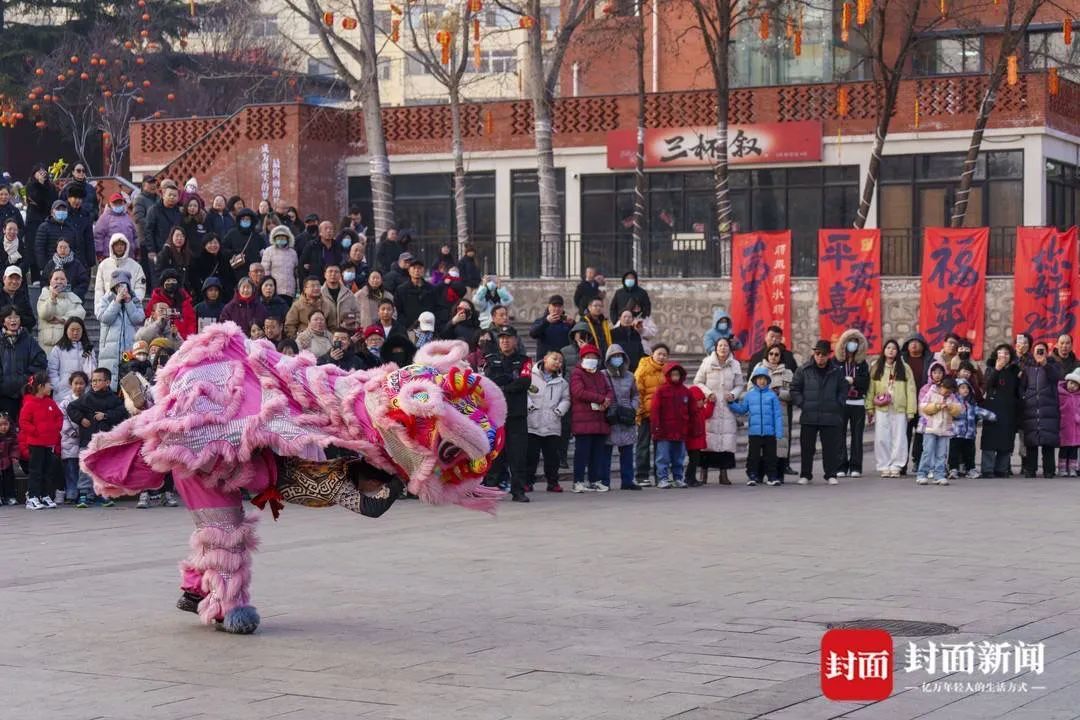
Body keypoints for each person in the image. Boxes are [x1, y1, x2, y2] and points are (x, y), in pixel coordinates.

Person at [66, 367, 128, 507]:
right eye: (93, 380)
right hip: (88, 439)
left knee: (103, 467)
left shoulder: (114, 398)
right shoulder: (87, 397)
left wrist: (105, 416)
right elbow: (71, 408)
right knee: (86, 466)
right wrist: (81, 419)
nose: (95, 383)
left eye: (99, 380)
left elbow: (122, 412)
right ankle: (83, 494)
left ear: (107, 382)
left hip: (105, 440)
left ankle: (102, 494)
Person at [483, 326, 532, 502]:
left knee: (518, 455)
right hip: (496, 416)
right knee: (496, 454)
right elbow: (489, 381)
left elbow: (524, 382)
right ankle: (491, 489)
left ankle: (518, 490)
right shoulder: (491, 359)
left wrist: (503, 386)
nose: (505, 341)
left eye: (508, 337)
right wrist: (509, 381)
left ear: (515, 340)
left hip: (517, 415)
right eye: (502, 338)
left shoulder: (524, 360)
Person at [791, 340, 846, 485]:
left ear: (829, 355)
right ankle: (805, 474)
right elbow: (794, 389)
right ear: (814, 354)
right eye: (817, 354)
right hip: (809, 415)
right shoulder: (803, 370)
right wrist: (802, 403)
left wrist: (837, 403)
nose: (820, 357)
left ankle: (831, 474)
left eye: (824, 354)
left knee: (830, 448)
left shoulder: (836, 371)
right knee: (807, 448)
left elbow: (843, 390)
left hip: (830, 415)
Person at [693, 336, 744, 485]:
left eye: (726, 346)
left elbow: (740, 385)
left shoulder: (735, 364)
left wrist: (733, 394)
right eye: (720, 345)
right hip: (711, 406)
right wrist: (708, 393)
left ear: (729, 348)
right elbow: (698, 382)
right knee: (708, 440)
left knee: (726, 440)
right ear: (716, 347)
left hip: (727, 408)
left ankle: (724, 473)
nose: (723, 348)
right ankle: (704, 472)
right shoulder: (707, 362)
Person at [866, 339, 917, 478]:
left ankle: (896, 465)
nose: (891, 350)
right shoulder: (877, 367)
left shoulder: (904, 368)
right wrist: (869, 407)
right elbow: (871, 388)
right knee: (882, 437)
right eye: (888, 347)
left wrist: (911, 410)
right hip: (882, 407)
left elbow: (911, 389)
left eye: (894, 348)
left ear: (897, 352)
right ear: (884, 350)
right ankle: (884, 465)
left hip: (899, 408)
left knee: (899, 438)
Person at [728, 366, 785, 486]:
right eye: (759, 379)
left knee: (771, 456)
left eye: (764, 379)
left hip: (770, 433)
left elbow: (778, 415)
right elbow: (743, 409)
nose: (762, 381)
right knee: (753, 456)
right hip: (754, 433)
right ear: (755, 380)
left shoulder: (772, 396)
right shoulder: (750, 395)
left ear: (768, 380)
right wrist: (731, 403)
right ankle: (752, 475)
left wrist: (779, 432)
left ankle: (771, 476)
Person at [569, 344, 612, 493]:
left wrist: (607, 400)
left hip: (599, 419)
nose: (591, 360)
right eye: (588, 357)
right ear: (582, 358)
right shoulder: (577, 373)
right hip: (583, 420)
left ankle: (594, 480)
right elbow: (578, 392)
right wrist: (601, 399)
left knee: (597, 453)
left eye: (594, 358)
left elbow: (609, 390)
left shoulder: (600, 375)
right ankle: (578, 481)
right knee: (582, 453)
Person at [749, 344, 794, 482]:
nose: (773, 357)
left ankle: (777, 475)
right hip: (762, 413)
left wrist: (780, 393)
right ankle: (758, 474)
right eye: (771, 354)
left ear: (781, 357)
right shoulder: (759, 368)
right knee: (762, 445)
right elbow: (750, 388)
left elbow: (793, 394)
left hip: (781, 412)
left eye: (777, 354)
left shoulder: (788, 372)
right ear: (767, 355)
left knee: (780, 444)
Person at [526, 350, 569, 493]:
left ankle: (552, 482)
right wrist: (529, 406)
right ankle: (527, 482)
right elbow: (524, 392)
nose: (558, 363)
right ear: (545, 358)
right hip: (532, 422)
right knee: (531, 456)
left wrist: (559, 411)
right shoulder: (530, 376)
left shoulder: (562, 382)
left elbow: (566, 399)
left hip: (552, 423)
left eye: (560, 361)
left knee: (552, 457)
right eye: (555, 359)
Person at [19, 371, 63, 509]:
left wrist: (54, 430)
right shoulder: (29, 404)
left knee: (47, 470)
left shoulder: (50, 403)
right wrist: (36, 432)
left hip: (49, 443)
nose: (51, 387)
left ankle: (45, 495)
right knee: (36, 471)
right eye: (49, 384)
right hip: (36, 443)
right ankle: (32, 497)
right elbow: (24, 422)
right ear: (40, 386)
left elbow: (59, 417)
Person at [1020, 341, 1062, 478]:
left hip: (1048, 408)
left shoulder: (1053, 364)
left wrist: (1045, 364)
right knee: (1031, 442)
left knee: (1048, 442)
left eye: (1042, 350)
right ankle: (1030, 470)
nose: (1040, 353)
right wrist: (1024, 396)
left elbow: (1056, 378)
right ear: (1033, 352)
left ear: (1047, 351)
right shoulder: (1028, 367)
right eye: (1037, 350)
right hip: (1031, 408)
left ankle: (1049, 470)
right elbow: (1022, 385)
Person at [915, 363, 962, 486]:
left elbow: (959, 410)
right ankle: (922, 474)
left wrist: (950, 407)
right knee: (927, 451)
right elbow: (923, 407)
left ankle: (939, 475)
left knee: (942, 454)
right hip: (930, 428)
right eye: (946, 391)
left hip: (945, 430)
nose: (947, 394)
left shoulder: (952, 397)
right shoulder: (931, 392)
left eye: (950, 392)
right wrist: (937, 406)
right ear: (941, 386)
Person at [97, 270, 145, 389]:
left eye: (124, 285)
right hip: (110, 351)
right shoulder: (106, 300)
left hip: (129, 349)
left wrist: (129, 302)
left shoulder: (134, 300)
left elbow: (138, 319)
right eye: (118, 285)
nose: (122, 289)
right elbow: (105, 318)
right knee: (109, 386)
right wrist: (116, 302)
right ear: (113, 286)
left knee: (129, 387)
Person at [651, 361, 695, 489]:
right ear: (668, 375)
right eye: (673, 374)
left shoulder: (686, 392)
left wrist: (691, 426)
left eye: (677, 374)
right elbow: (655, 410)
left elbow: (692, 411)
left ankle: (677, 478)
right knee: (663, 457)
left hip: (680, 430)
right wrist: (656, 427)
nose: (675, 377)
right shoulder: (661, 391)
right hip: (664, 431)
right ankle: (662, 478)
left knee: (679, 457)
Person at [602, 344, 640, 490]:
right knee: (606, 451)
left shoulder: (630, 376)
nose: (617, 359)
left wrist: (632, 406)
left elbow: (636, 394)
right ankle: (604, 481)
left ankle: (628, 481)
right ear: (608, 359)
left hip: (626, 416)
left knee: (628, 451)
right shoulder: (603, 375)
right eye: (614, 356)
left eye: (619, 356)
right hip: (610, 416)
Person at [834, 328, 871, 478]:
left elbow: (865, 382)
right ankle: (840, 465)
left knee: (857, 436)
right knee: (840, 435)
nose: (852, 345)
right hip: (842, 403)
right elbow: (834, 380)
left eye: (855, 342)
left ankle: (856, 466)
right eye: (850, 341)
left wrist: (853, 380)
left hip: (858, 403)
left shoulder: (862, 364)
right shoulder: (836, 362)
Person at [0, 305, 46, 422]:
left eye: (16, 317)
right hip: (3, 394)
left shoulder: (29, 340)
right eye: (9, 317)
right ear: (3, 321)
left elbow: (40, 361)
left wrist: (26, 378)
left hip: (25, 392)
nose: (13, 320)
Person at [634, 343, 668, 487]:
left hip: (662, 416)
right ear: (652, 354)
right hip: (645, 414)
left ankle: (661, 476)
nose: (661, 357)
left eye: (665, 355)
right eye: (659, 353)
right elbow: (637, 392)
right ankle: (642, 476)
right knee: (643, 445)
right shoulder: (643, 369)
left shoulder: (667, 371)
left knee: (661, 447)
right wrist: (639, 412)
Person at [949, 378, 997, 480]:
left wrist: (992, 416)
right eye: (962, 388)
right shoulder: (953, 403)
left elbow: (981, 411)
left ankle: (970, 469)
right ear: (956, 390)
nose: (965, 390)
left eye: (967, 388)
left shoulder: (971, 405)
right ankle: (953, 469)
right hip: (956, 434)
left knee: (969, 453)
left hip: (969, 435)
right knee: (954, 453)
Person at [35, 268, 85, 356]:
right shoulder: (45, 294)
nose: (59, 281)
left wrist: (63, 319)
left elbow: (81, 313)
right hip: (48, 345)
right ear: (50, 280)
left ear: (67, 281)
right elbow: (44, 314)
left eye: (62, 279)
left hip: (68, 344)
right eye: (56, 279)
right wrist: (52, 299)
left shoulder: (72, 296)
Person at [900, 334, 931, 474]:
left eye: (917, 342)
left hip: (923, 403)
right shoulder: (901, 360)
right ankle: (901, 463)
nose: (914, 345)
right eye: (911, 342)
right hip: (905, 403)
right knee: (903, 434)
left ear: (923, 345)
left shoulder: (929, 360)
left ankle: (918, 461)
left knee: (920, 434)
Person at [95, 233, 147, 314]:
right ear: (112, 247)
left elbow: (140, 287)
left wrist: (132, 301)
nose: (119, 247)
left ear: (126, 246)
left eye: (122, 245)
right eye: (116, 245)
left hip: (130, 307)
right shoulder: (103, 265)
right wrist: (99, 308)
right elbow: (99, 289)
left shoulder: (136, 266)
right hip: (109, 308)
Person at [47, 317, 96, 402]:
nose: (75, 333)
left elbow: (93, 368)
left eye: (78, 330)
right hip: (63, 393)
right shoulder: (58, 348)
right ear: (66, 330)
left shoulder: (88, 348)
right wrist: (58, 386)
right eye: (72, 330)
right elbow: (52, 370)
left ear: (83, 331)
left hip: (84, 391)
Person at [143, 184, 183, 280]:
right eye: (170, 195)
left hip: (175, 252)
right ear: (163, 195)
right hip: (158, 251)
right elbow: (148, 231)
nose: (172, 197)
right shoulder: (154, 210)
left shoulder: (179, 212)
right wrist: (151, 250)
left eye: (175, 195)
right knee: (158, 280)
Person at [148, 268, 196, 339]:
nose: (171, 283)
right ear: (162, 283)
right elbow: (148, 321)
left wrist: (187, 340)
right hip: (160, 342)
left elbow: (191, 323)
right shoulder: (155, 301)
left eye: (173, 281)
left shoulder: (185, 301)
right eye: (168, 281)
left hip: (182, 342)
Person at [395, 259, 441, 331]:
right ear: (409, 271)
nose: (417, 270)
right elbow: (399, 311)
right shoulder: (401, 290)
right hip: (408, 329)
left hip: (429, 327)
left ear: (423, 271)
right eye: (414, 268)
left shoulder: (432, 289)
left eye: (419, 268)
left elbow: (438, 308)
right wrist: (406, 326)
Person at [35, 199, 78, 275]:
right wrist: (44, 267)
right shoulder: (44, 227)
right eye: (58, 209)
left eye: (63, 209)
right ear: (52, 212)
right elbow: (40, 249)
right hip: (50, 269)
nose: (61, 211)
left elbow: (75, 248)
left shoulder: (71, 228)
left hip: (69, 268)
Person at [40, 238, 90, 302]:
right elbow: (44, 281)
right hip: (53, 299)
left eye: (65, 247)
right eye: (60, 247)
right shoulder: (51, 264)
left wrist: (74, 294)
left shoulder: (77, 264)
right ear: (56, 248)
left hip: (73, 300)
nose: (63, 250)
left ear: (69, 249)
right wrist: (51, 292)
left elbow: (84, 282)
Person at [684, 384, 714, 487]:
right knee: (693, 461)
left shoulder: (701, 411)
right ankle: (689, 478)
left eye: (701, 400)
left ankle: (690, 478)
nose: (700, 402)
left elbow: (708, 414)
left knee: (695, 461)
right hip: (692, 440)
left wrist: (711, 403)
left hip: (698, 440)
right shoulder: (690, 412)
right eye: (697, 400)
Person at [529, 295, 574, 361]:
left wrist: (573, 324)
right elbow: (532, 333)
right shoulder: (541, 321)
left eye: (559, 306)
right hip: (544, 362)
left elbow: (576, 338)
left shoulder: (567, 323)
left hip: (562, 362)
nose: (557, 309)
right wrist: (546, 322)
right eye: (554, 306)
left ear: (563, 308)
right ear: (549, 307)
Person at [94, 192, 137, 262]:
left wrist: (137, 249)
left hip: (128, 257)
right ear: (110, 204)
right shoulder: (104, 218)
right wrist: (99, 253)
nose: (118, 205)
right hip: (109, 258)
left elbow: (135, 235)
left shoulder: (128, 217)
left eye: (119, 203)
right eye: (115, 203)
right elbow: (98, 237)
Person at [222, 208, 266, 275]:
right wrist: (233, 254)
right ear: (239, 220)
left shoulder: (257, 236)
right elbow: (223, 248)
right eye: (243, 219)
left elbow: (263, 252)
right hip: (235, 271)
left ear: (252, 221)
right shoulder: (232, 233)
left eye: (248, 219)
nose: (245, 221)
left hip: (253, 272)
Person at [261, 225, 299, 299]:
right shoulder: (269, 251)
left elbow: (296, 272)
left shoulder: (293, 253)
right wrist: (268, 286)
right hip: (274, 290)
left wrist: (297, 290)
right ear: (274, 239)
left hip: (289, 290)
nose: (280, 239)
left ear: (288, 239)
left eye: (283, 237)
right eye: (278, 237)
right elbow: (265, 271)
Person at [321, 264, 361, 332]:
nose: (333, 274)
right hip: (324, 334)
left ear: (340, 275)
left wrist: (349, 326)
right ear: (325, 274)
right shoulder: (319, 293)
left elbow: (358, 314)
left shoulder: (348, 294)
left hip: (345, 333)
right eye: (330, 271)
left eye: (336, 272)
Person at [62, 184, 96, 266]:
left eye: (80, 198)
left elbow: (89, 239)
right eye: (75, 198)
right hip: (65, 258)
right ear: (69, 198)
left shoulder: (85, 215)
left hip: (82, 259)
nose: (78, 201)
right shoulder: (62, 213)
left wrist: (91, 260)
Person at [155, 226, 194, 294]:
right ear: (171, 237)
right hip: (168, 290)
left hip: (184, 291)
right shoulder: (165, 254)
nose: (179, 238)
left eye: (182, 236)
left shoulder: (187, 254)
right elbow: (159, 274)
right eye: (177, 236)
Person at [1058, 369, 1080, 477]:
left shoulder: (1078, 396)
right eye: (1071, 383)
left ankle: (1072, 468)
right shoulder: (1061, 394)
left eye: (1075, 385)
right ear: (1067, 382)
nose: (1072, 386)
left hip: (1076, 428)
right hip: (1064, 426)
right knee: (1064, 448)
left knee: (1073, 450)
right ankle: (1062, 468)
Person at [0, 265, 35, 331]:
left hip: (19, 335)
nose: (14, 281)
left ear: (21, 280)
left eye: (17, 279)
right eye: (11, 278)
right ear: (4, 278)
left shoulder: (22, 296)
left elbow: (32, 320)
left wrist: (17, 320)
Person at [0, 413, 18, 506]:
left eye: (5, 424)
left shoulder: (11, 436)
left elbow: (14, 447)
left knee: (9, 479)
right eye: (1, 425)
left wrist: (14, 456)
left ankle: (10, 496)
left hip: (7, 461)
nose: (3, 427)